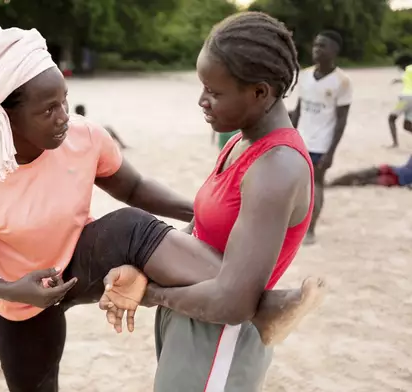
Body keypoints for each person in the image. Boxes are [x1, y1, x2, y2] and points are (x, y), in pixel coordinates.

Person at [0, 24, 322, 392]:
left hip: (81, 261)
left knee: (128, 227)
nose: (65, 117)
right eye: (48, 110)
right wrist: (6, 289)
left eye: (64, 101)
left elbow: (134, 187)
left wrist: (201, 214)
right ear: (5, 116)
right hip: (22, 294)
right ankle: (256, 301)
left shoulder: (82, 137)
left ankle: (252, 302)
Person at [98, 12, 325, 391]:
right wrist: (145, 274)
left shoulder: (277, 166)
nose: (202, 101)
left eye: (215, 92)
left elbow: (234, 302)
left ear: (260, 92)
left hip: (220, 336)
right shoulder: (242, 142)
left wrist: (151, 294)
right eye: (203, 87)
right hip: (192, 315)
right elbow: (201, 231)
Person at [290, 30, 352, 245]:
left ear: (334, 50)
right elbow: (299, 110)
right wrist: (289, 136)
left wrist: (331, 151)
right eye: (316, 45)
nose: (317, 49)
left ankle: (311, 230)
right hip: (300, 140)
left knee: (316, 185)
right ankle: (293, 227)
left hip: (321, 145)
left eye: (322, 45)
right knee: (295, 185)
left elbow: (341, 120)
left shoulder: (342, 82)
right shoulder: (305, 76)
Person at [327, 155, 412, 188]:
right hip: (395, 176)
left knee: (360, 177)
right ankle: (333, 183)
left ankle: (333, 183)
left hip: (395, 175)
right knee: (361, 178)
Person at [388, 54, 412, 148]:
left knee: (391, 118)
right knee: (407, 125)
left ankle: (395, 143)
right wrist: (398, 80)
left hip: (405, 99)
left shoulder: (407, 70)